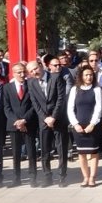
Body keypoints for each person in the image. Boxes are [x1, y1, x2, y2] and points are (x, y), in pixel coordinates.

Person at [28, 57, 70, 187]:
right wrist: (44, 117)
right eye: (31, 71)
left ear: (41, 66)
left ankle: (62, 177)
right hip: (44, 120)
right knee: (45, 149)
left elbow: (61, 99)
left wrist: (54, 117)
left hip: (59, 118)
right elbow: (35, 103)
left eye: (35, 68)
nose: (34, 72)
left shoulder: (55, 77)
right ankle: (47, 176)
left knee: (61, 148)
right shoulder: (31, 83)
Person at [68, 64, 102, 187]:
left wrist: (93, 124)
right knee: (82, 154)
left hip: (92, 126)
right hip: (78, 126)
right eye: (86, 75)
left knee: (93, 152)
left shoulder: (97, 89)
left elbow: (98, 108)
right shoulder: (74, 89)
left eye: (90, 75)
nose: (88, 77)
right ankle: (85, 177)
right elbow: (70, 109)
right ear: (81, 76)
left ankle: (92, 177)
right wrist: (75, 124)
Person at [3, 63, 38, 188]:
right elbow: (6, 108)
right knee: (16, 153)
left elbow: (34, 105)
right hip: (13, 125)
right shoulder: (7, 88)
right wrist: (17, 121)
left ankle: (33, 177)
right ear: (13, 73)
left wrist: (24, 120)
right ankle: (16, 178)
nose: (22, 75)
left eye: (24, 72)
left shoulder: (32, 85)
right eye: (19, 72)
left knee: (31, 152)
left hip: (29, 123)